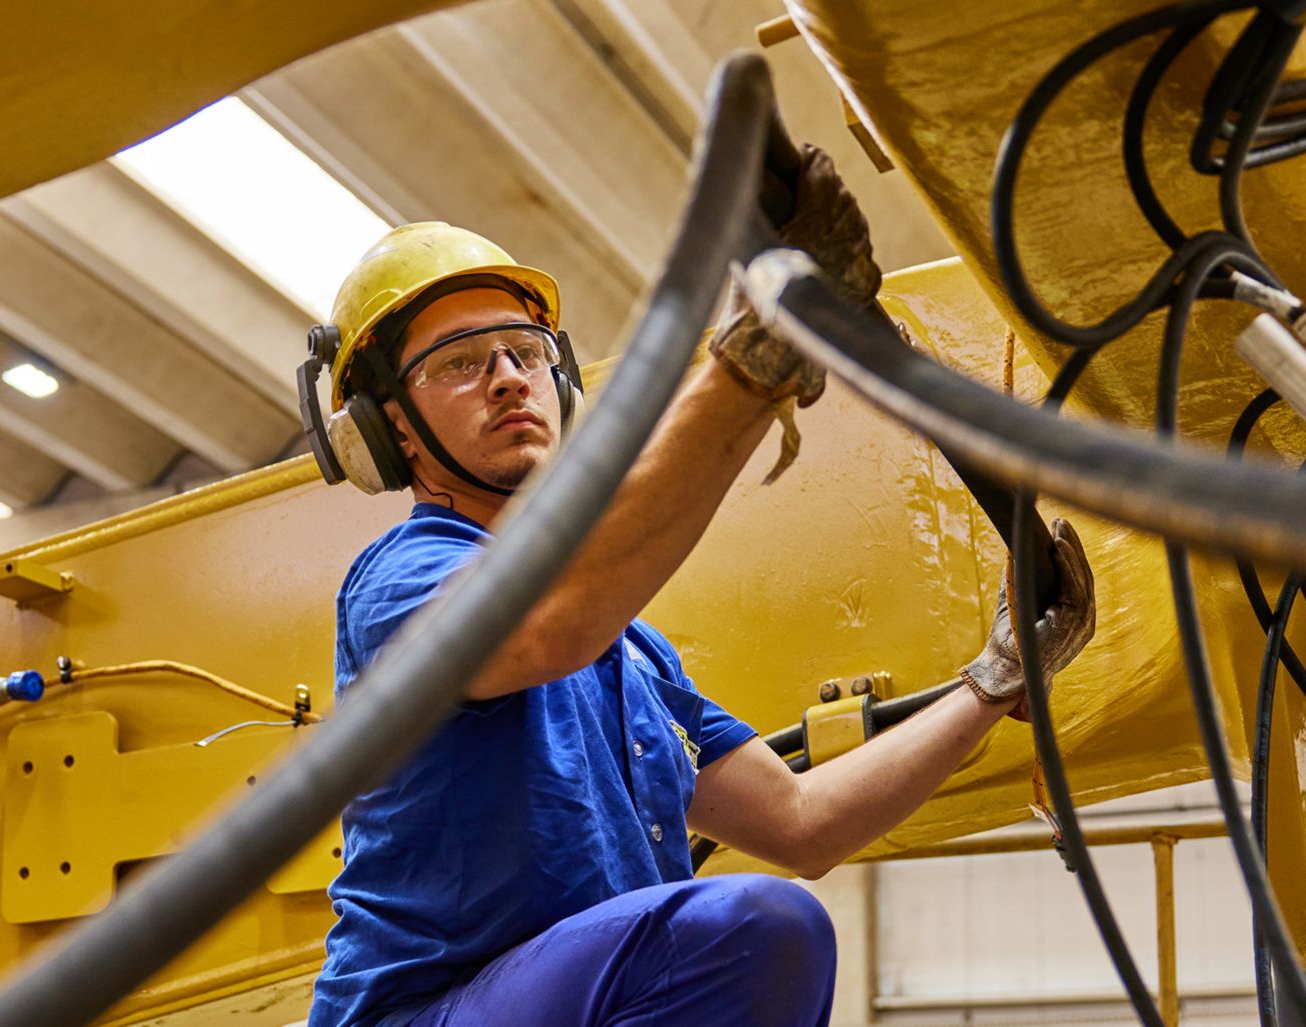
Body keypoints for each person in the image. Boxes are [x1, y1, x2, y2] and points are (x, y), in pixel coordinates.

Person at [299, 146, 1098, 1027]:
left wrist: (996, 680)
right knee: (755, 926)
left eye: (524, 351)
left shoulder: (630, 654)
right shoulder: (399, 583)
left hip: (582, 1006)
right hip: (421, 1013)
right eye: (458, 361)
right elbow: (549, 624)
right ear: (386, 432)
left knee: (767, 926)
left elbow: (802, 822)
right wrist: (755, 355)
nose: (506, 376)